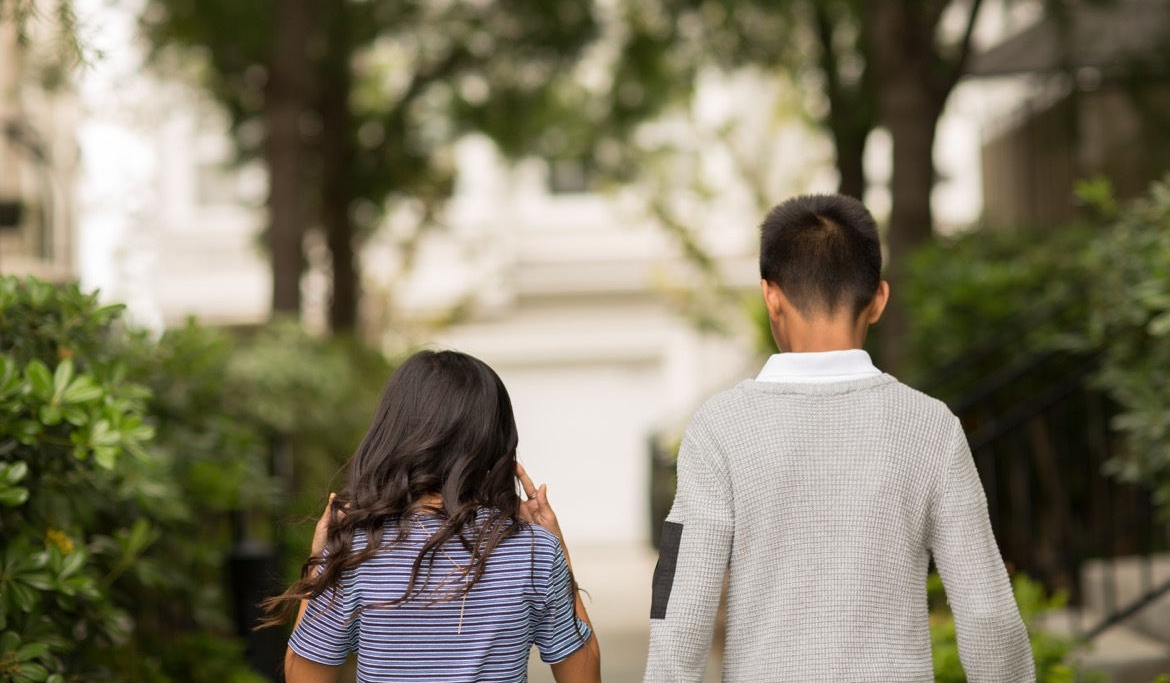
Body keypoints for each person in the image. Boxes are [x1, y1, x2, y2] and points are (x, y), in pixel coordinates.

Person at [643, 194, 1034, 682]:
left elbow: (681, 605)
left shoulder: (719, 427)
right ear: (879, 300)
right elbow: (987, 611)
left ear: (771, 296)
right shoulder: (930, 426)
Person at [264, 349, 600, 683]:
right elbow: (585, 675)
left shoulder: (356, 550)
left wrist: (322, 559)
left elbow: (304, 675)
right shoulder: (534, 551)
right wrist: (556, 547)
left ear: (391, 432)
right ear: (493, 438)